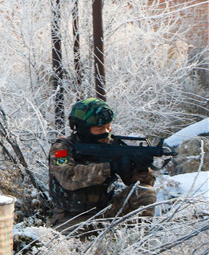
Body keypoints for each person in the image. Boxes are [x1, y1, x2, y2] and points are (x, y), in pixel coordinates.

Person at [48, 98, 157, 233]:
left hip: (105, 212)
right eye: (99, 129)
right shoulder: (61, 149)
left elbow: (143, 183)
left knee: (145, 191)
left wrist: (142, 169)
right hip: (70, 217)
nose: (106, 132)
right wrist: (109, 168)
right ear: (83, 129)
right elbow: (68, 178)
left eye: (108, 126)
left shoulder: (113, 145)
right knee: (75, 250)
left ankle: (135, 243)